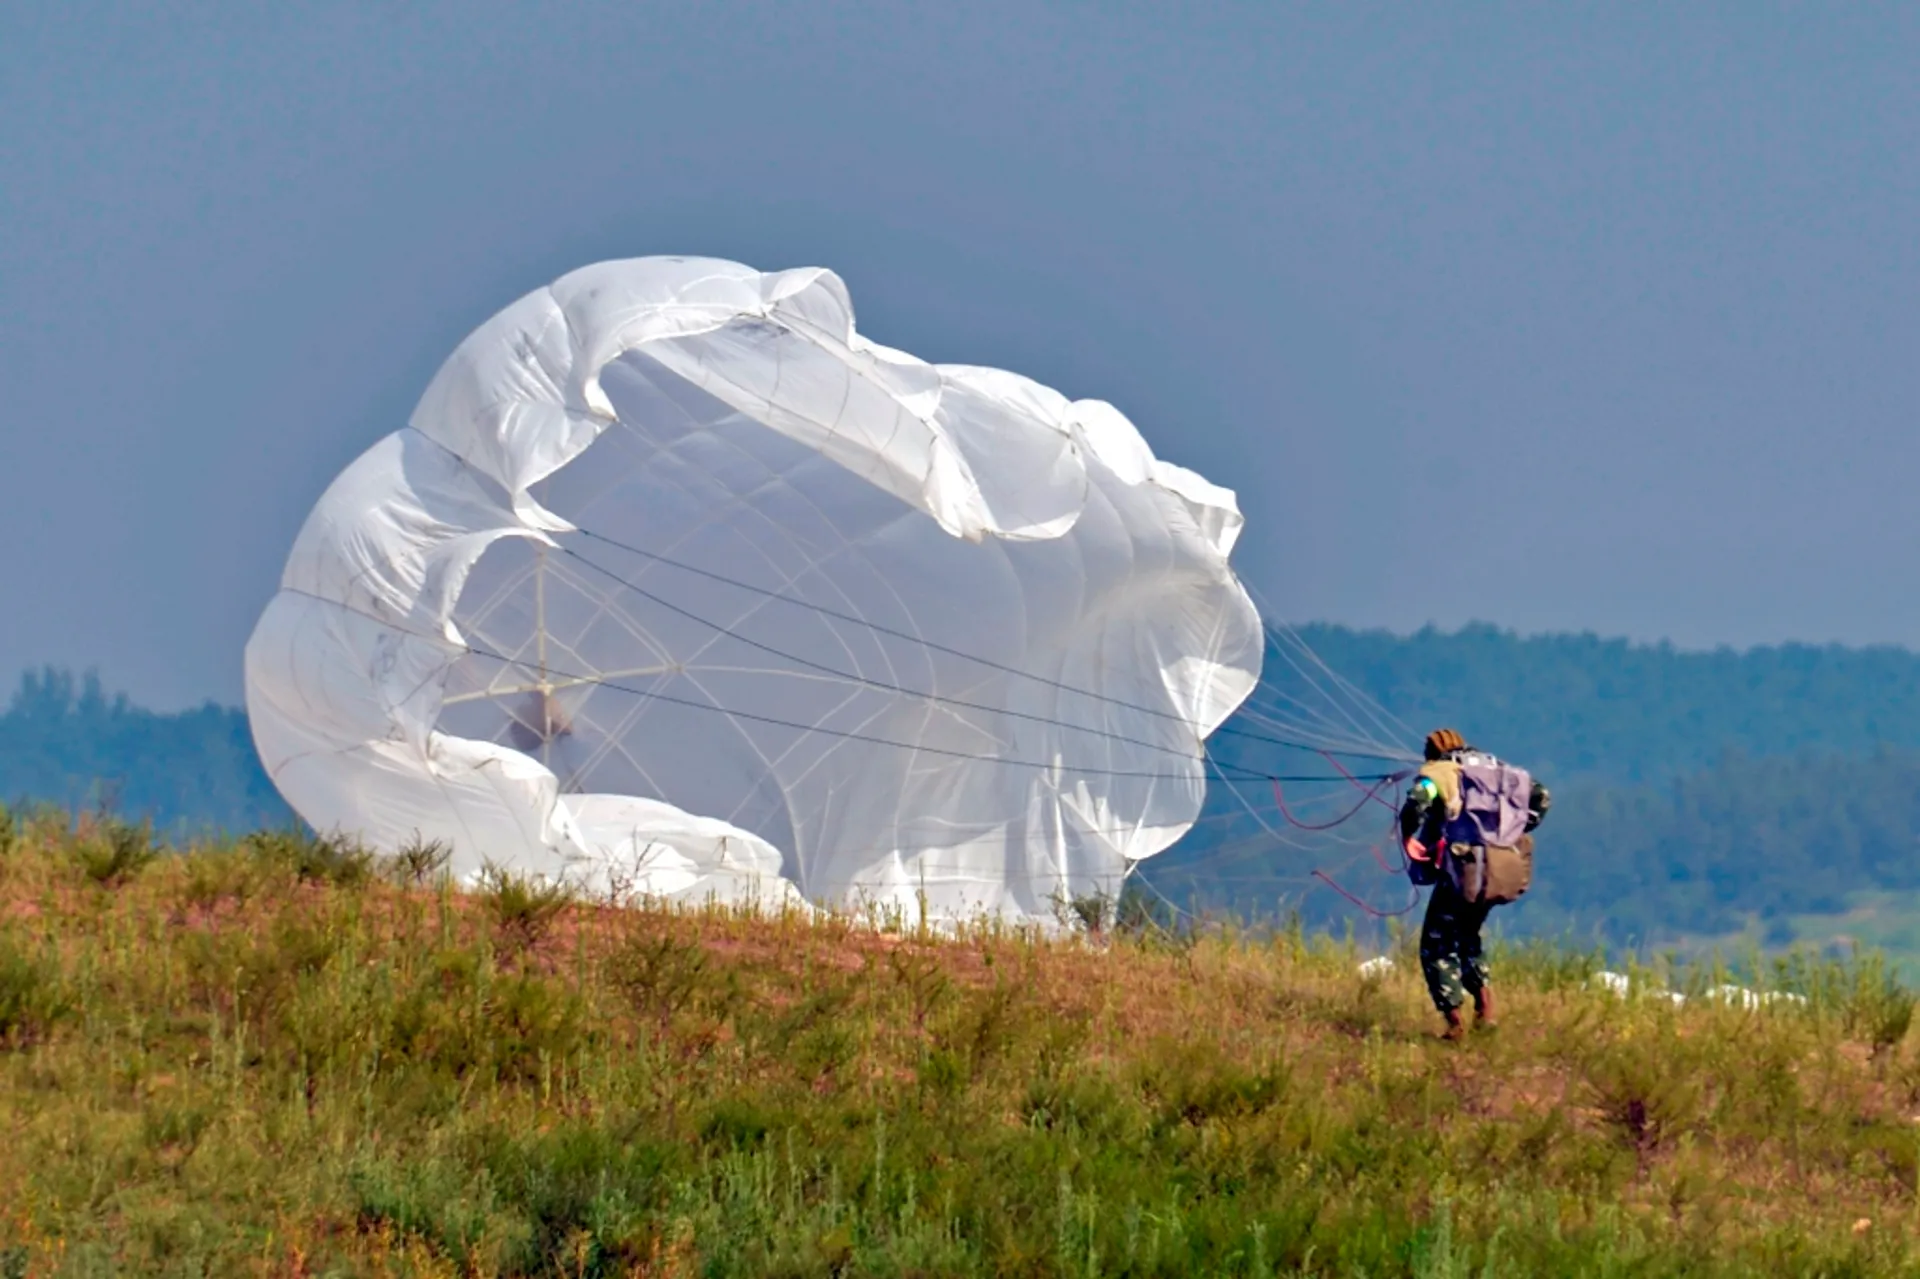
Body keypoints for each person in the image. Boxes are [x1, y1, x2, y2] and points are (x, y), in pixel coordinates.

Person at [1398, 728, 1550, 1040]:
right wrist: (1511, 829)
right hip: (1502, 865)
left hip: (1465, 868)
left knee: (1437, 944)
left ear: (1431, 752)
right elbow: (1541, 796)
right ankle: (1486, 1010)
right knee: (1468, 935)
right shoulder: (1495, 768)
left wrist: (1409, 835)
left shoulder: (1438, 773)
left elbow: (1417, 801)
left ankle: (1455, 1025)